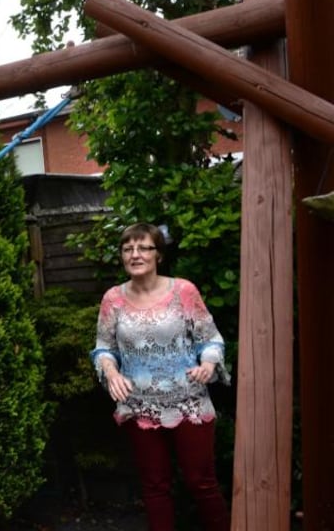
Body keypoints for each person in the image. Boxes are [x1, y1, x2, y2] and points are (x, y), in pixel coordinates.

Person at [90, 222, 231, 531]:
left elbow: (211, 339)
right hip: (139, 407)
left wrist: (208, 364)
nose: (135, 254)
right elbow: (104, 347)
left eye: (143, 247)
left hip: (189, 403)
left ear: (158, 255)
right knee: (155, 487)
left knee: (201, 483)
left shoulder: (184, 291)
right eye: (128, 249)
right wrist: (111, 371)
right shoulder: (112, 299)